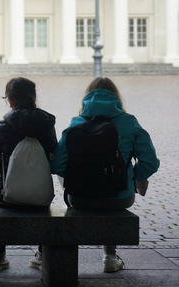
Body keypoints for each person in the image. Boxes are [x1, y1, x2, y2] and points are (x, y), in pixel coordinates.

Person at [51, 77, 160, 272]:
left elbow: (58, 166)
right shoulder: (129, 122)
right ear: (116, 97)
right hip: (120, 197)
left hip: (79, 198)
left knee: (67, 173)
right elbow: (150, 162)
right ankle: (110, 257)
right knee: (114, 185)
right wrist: (130, 177)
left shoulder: (75, 123)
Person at [0, 77, 58, 272]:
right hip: (40, 197)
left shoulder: (2, 126)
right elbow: (54, 162)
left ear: (10, 100)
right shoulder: (47, 124)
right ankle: (42, 255)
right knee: (43, 205)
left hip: (8, 198)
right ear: (34, 97)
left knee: (0, 192)